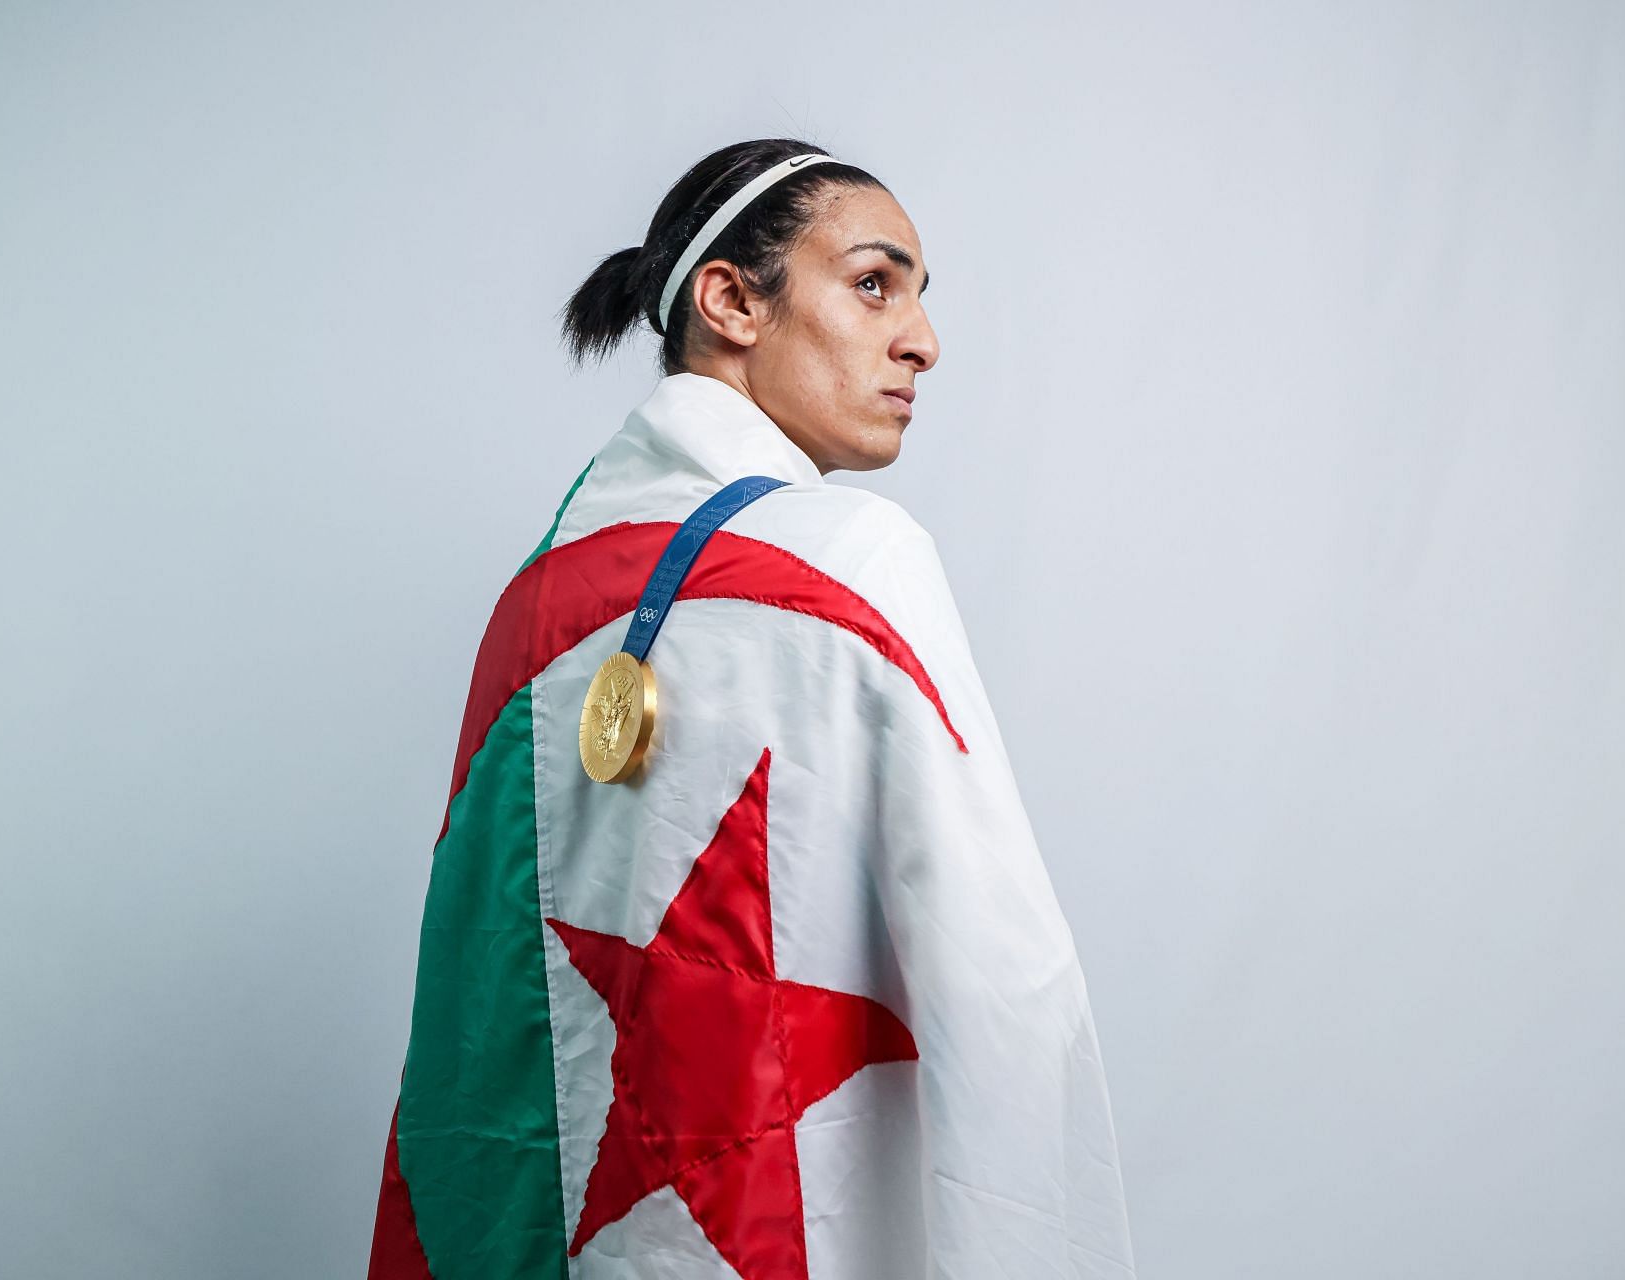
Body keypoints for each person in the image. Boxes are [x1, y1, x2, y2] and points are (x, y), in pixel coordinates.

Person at [367, 138, 1137, 1280]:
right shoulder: (856, 560)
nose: (922, 339)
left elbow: (469, 1048)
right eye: (875, 283)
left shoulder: (530, 608)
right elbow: (1003, 983)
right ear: (731, 300)